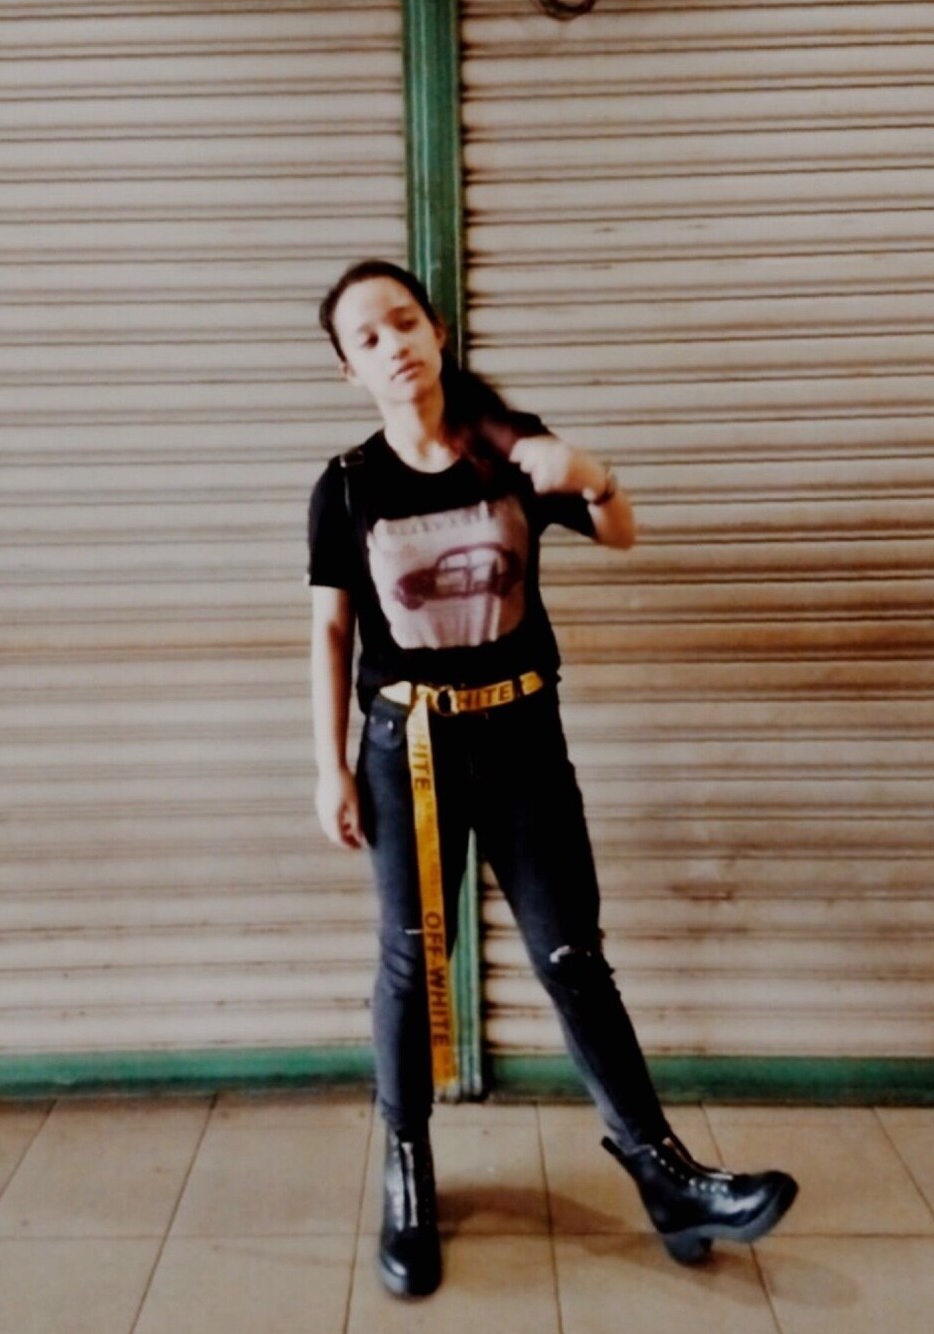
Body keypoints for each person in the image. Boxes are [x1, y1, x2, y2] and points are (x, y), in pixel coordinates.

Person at [306, 258, 797, 1299]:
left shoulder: (507, 448)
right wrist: (329, 766)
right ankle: (407, 1172)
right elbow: (332, 631)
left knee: (573, 954)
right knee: (410, 961)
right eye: (367, 339)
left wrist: (594, 473)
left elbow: (621, 531)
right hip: (409, 751)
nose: (393, 346)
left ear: (437, 330)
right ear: (349, 370)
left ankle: (665, 1174)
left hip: (525, 735)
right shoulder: (347, 485)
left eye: (404, 322)